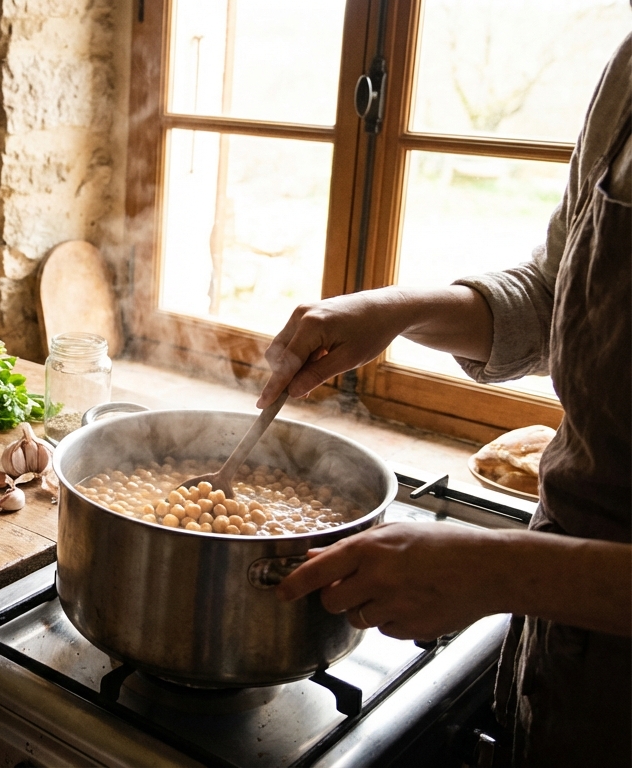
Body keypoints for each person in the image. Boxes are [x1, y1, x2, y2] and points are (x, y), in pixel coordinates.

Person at [260, 32, 632, 767]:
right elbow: (561, 295)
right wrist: (395, 310)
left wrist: (497, 570)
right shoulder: (628, 68)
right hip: (566, 651)